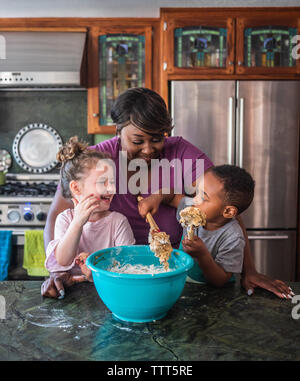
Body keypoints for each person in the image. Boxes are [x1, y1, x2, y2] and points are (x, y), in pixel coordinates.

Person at [42, 87, 293, 300]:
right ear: (118, 131)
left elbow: (225, 206)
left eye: (157, 138)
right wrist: (55, 271)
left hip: (172, 275)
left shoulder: (182, 153)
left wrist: (250, 270)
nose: (149, 149)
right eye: (138, 141)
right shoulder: (97, 161)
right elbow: (58, 215)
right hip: (109, 277)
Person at [41, 137, 135, 299]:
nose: (112, 188)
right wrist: (77, 223)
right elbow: (63, 261)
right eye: (103, 182)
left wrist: (97, 273)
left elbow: (128, 269)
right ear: (76, 187)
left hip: (109, 294)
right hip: (73, 296)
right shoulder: (65, 219)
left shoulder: (118, 222)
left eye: (112, 182)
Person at [176, 165, 254, 288]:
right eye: (196, 193)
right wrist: (157, 198)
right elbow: (171, 197)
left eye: (203, 197)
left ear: (228, 212)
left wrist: (202, 255)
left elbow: (220, 280)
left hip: (212, 293)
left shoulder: (233, 237)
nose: (194, 200)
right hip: (183, 283)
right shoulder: (193, 208)